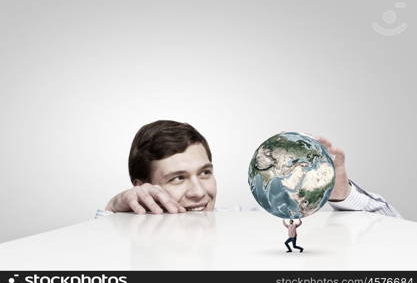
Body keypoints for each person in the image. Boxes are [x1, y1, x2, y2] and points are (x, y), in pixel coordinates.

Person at [97, 120, 402, 218]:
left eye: (205, 173)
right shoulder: (128, 237)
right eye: (178, 178)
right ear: (142, 187)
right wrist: (112, 210)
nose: (200, 192)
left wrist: (340, 193)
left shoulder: (250, 221)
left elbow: (392, 228)